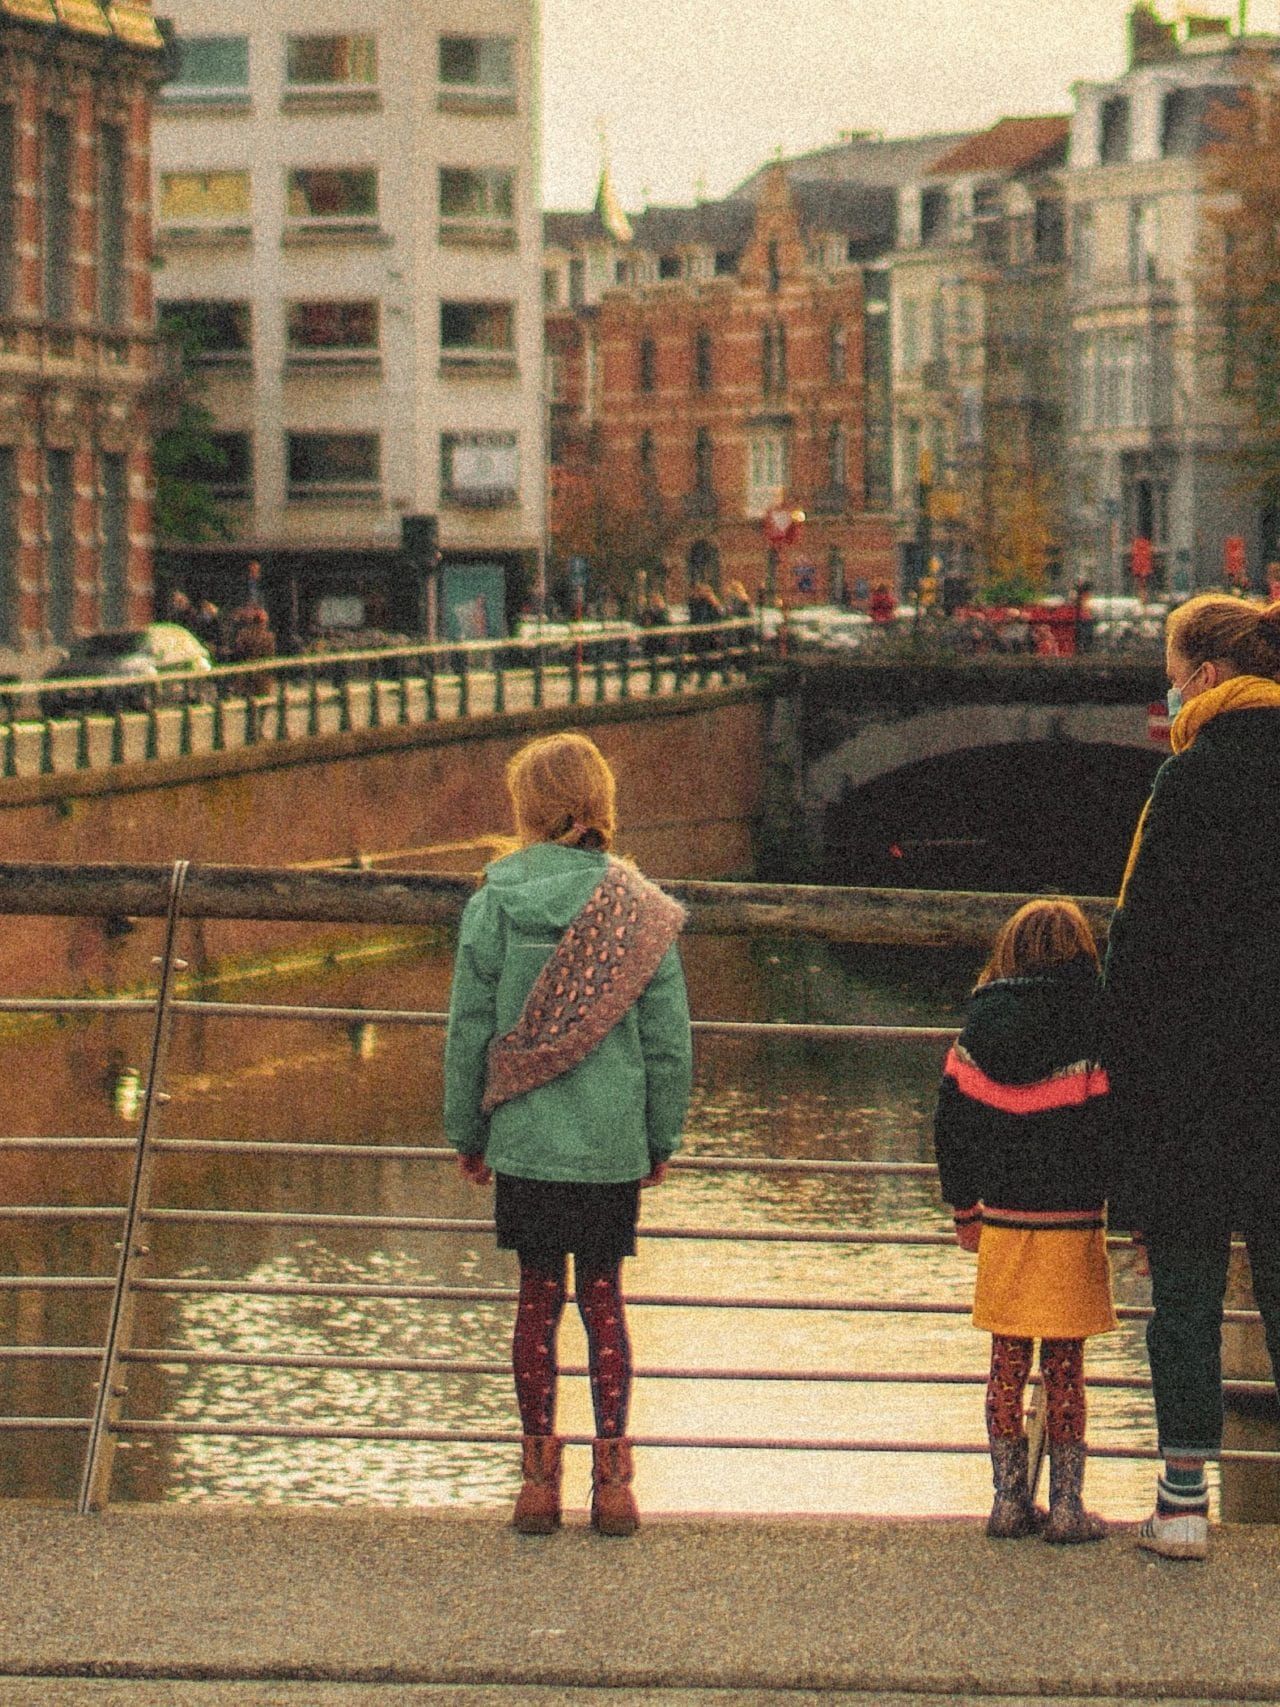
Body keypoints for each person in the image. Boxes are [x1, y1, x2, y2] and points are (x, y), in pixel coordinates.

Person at [443, 732, 693, 1536]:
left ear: (527, 809)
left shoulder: (494, 901)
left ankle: (537, 1480)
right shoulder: (639, 909)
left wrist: (466, 1127)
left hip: (526, 1138)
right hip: (612, 1141)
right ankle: (614, 1481)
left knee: (536, 1298)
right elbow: (667, 1043)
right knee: (604, 1300)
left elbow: (469, 1030)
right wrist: (660, 1138)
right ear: (601, 804)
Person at [1102, 593, 1280, 1561]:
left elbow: (1134, 953)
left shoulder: (1185, 783)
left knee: (1182, 1300)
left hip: (1189, 1095)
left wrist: (1125, 1107)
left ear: (1205, 679)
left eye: (1169, 679)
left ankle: (1179, 1506)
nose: (1165, 697)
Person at [935, 898, 1115, 1544]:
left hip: (1004, 1218)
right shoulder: (1096, 1022)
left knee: (1006, 1362)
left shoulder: (979, 1024)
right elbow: (1107, 1126)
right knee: (1065, 1366)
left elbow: (951, 1123)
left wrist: (964, 1205)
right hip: (1071, 1217)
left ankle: (1008, 1498)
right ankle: (1067, 1505)